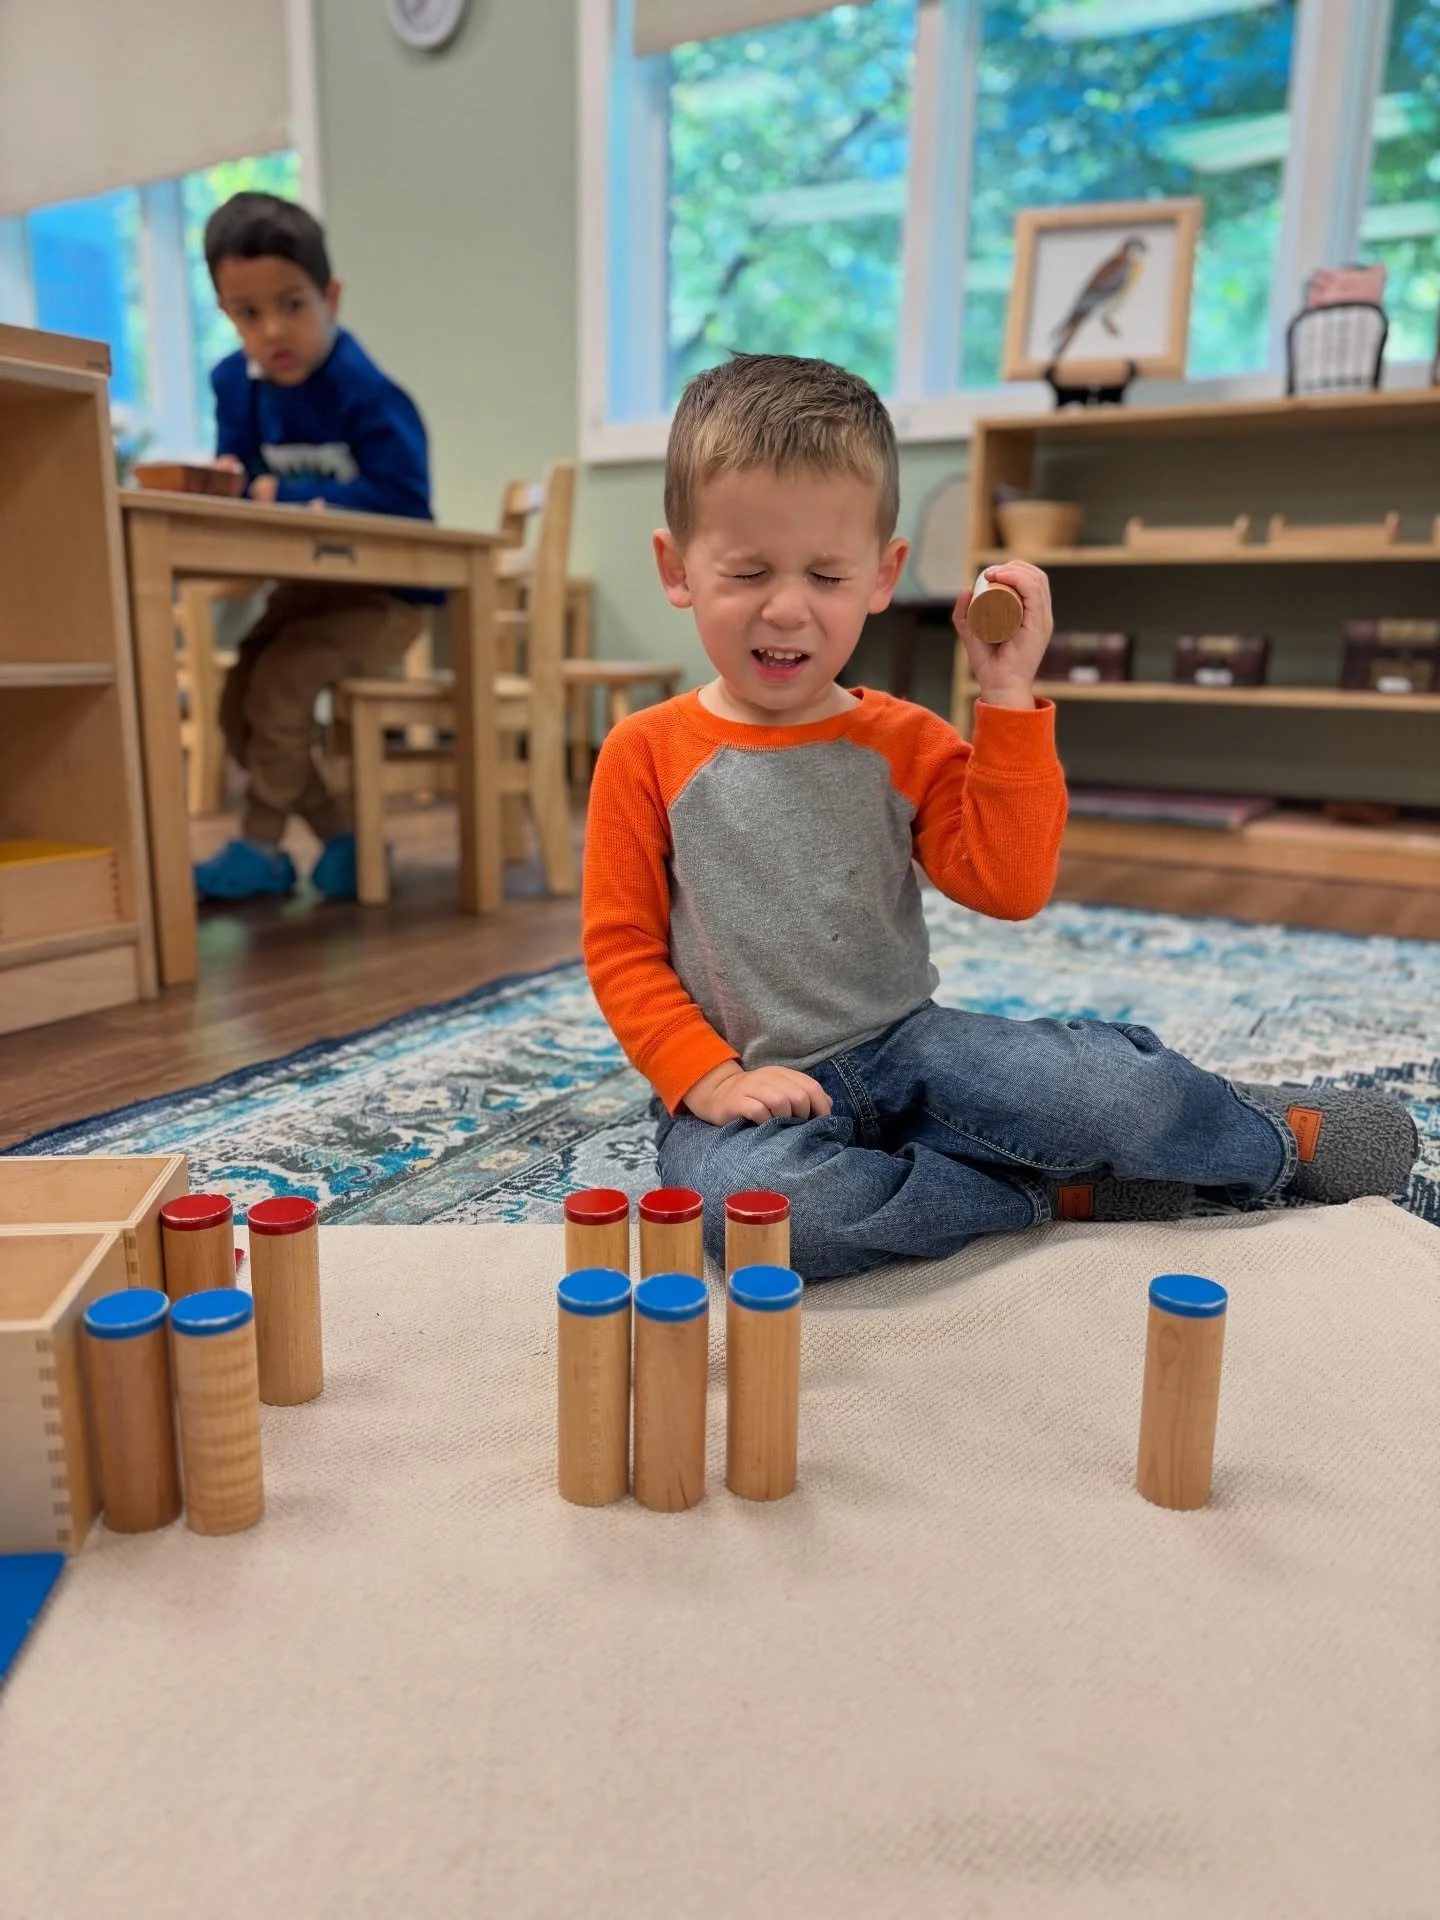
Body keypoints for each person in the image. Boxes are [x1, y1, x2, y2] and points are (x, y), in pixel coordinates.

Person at [582, 353, 1418, 1280]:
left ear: (882, 576)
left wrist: (1010, 696)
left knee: (1108, 1095)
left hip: (909, 1045)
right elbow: (621, 948)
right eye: (747, 572)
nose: (787, 609)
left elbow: (1009, 888)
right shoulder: (643, 752)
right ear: (678, 568)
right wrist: (709, 1079)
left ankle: (1268, 1135)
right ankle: (1046, 1195)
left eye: (826, 575)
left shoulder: (906, 740)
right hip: (738, 1085)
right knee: (760, 1219)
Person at [192, 192, 440, 904]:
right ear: (225, 313)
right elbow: (242, 482)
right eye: (247, 313)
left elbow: (407, 504)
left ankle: (260, 845)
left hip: (385, 601)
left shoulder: (370, 394)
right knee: (236, 708)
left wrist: (288, 495)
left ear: (329, 298)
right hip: (301, 593)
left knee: (278, 689)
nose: (273, 329)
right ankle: (343, 839)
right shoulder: (235, 386)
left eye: (292, 305)